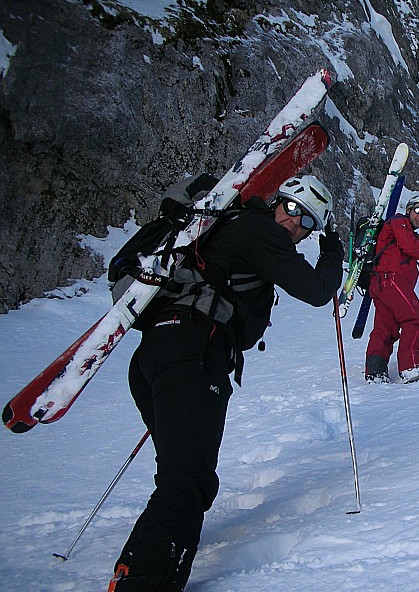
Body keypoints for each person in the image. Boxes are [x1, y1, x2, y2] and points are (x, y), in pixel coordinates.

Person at [108, 175, 344, 592]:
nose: (293, 224)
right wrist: (333, 252)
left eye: (305, 221)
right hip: (192, 358)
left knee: (190, 478)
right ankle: (141, 579)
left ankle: (154, 554)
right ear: (277, 202)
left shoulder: (230, 226)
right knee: (187, 481)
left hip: (156, 358)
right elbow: (317, 290)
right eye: (292, 209)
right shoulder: (259, 230)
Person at [364, 193, 419, 384]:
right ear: (409, 209)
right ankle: (411, 366)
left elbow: (408, 246)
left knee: (386, 328)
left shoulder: (406, 231)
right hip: (391, 280)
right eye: (418, 210)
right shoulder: (398, 221)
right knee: (415, 321)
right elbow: (408, 245)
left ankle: (375, 371)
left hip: (382, 283)